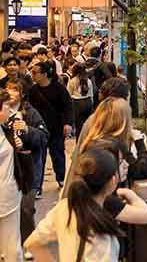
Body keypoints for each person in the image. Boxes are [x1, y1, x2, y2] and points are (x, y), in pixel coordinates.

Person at [25, 149, 147, 262]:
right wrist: (130, 194)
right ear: (113, 181)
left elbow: (32, 243)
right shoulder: (100, 232)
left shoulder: (64, 207)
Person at [0, 87, 37, 262]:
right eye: (7, 106)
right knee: (11, 246)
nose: (10, 110)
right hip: (5, 197)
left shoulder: (5, 128)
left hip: (8, 194)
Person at [28, 62, 72, 191]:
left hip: (56, 128)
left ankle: (61, 178)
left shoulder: (59, 88)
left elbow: (68, 107)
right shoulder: (33, 91)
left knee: (58, 154)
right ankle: (37, 186)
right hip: (38, 130)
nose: (33, 75)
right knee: (38, 158)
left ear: (45, 74)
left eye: (35, 73)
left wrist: (68, 123)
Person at [67, 63, 94, 140]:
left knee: (79, 126)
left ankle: (79, 142)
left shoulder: (72, 81)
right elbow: (91, 94)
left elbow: (69, 94)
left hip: (77, 103)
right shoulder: (88, 80)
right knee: (88, 125)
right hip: (88, 102)